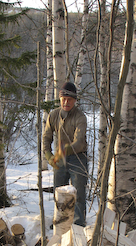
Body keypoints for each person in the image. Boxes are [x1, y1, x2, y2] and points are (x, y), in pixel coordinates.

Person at [43, 82, 88, 227]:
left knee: (78, 193)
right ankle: (60, 222)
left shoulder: (80, 117)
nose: (66, 102)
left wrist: (65, 150)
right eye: (63, 99)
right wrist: (48, 154)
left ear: (75, 100)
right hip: (60, 158)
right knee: (59, 191)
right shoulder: (54, 115)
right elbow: (46, 137)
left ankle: (78, 224)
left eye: (69, 99)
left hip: (78, 157)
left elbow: (79, 141)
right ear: (60, 98)